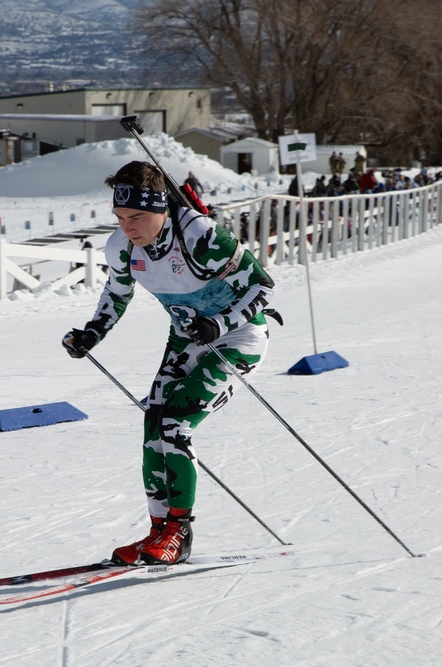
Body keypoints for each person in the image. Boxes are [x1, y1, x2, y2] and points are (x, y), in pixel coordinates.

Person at [61, 160, 276, 566]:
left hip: (238, 337)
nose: (128, 227)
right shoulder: (122, 248)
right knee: (153, 422)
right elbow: (117, 294)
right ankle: (158, 530)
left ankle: (180, 532)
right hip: (187, 338)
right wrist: (92, 333)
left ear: (163, 208)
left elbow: (262, 286)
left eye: (138, 217)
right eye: (121, 217)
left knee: (177, 425)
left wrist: (218, 324)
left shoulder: (201, 237)